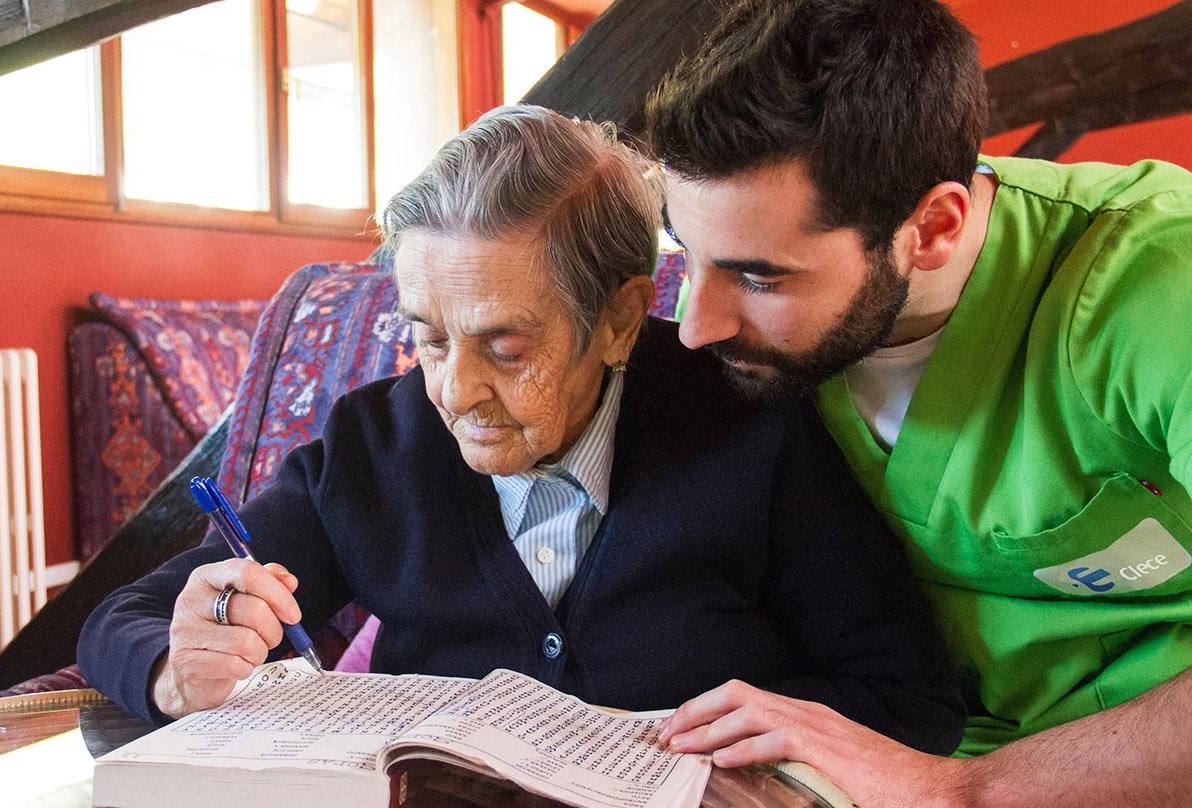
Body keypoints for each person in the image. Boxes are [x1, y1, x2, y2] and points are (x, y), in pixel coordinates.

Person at [76, 104, 964, 755]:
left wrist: (760, 733)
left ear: (617, 320)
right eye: (427, 336)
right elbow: (128, 616)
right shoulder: (372, 450)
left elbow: (910, 697)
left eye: (505, 346)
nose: (456, 390)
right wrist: (176, 666)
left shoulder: (749, 428)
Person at [644, 0, 1192, 805]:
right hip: (912, 740)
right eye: (685, 253)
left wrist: (958, 788)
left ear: (932, 226)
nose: (696, 328)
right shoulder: (762, 346)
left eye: (760, 276)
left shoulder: (1158, 287)